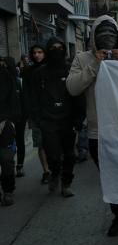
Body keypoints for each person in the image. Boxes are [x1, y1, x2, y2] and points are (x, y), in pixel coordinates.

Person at [66, 15, 118, 240]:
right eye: (101, 33)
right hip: (98, 132)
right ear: (93, 37)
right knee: (111, 178)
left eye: (111, 34)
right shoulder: (83, 59)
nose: (107, 38)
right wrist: (95, 63)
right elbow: (73, 88)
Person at [31, 38, 85, 197]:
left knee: (70, 154)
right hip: (48, 121)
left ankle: (66, 183)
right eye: (53, 48)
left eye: (59, 47)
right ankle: (55, 173)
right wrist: (38, 119)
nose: (56, 50)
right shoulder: (39, 73)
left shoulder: (70, 71)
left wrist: (79, 118)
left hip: (67, 120)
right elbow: (33, 98)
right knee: (53, 155)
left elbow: (78, 95)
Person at [23, 44, 50, 184]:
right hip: (36, 114)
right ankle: (46, 171)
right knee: (40, 144)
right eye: (34, 52)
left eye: (40, 52)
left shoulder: (51, 69)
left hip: (52, 113)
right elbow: (26, 94)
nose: (37, 55)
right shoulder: (28, 72)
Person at [0, 57, 18, 206]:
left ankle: (8, 191)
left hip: (4, 124)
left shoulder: (5, 75)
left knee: (6, 160)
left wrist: (11, 121)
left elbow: (13, 99)